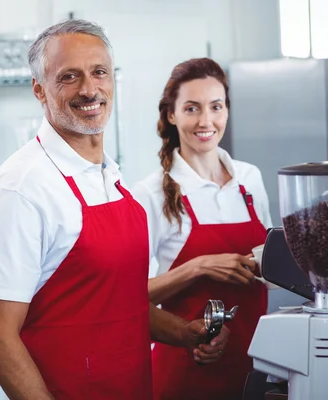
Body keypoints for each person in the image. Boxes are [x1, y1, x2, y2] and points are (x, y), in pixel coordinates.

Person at [0, 21, 229, 400]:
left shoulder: (110, 175)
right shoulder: (23, 188)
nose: (89, 89)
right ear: (39, 90)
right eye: (69, 77)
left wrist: (182, 332)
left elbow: (118, 304)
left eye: (99, 73)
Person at [133, 57, 273, 400]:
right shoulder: (149, 193)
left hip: (257, 364)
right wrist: (199, 267)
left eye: (216, 107)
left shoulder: (249, 178)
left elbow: (272, 269)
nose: (206, 121)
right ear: (172, 114)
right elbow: (127, 298)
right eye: (192, 108)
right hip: (185, 372)